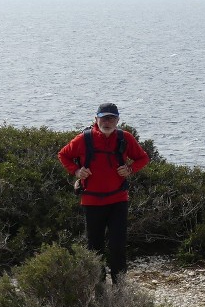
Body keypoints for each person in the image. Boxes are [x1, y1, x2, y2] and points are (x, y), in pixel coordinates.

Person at [58, 103, 151, 282]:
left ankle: (120, 288)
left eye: (111, 118)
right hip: (92, 202)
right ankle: (98, 286)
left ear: (117, 120)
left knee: (118, 246)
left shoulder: (125, 138)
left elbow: (143, 157)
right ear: (96, 119)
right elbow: (63, 155)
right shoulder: (83, 139)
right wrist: (76, 171)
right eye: (103, 118)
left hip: (118, 200)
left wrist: (130, 169)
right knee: (94, 248)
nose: (107, 122)